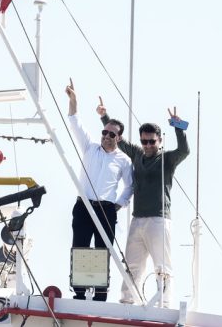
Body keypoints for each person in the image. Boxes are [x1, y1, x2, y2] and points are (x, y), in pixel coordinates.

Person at [98, 99, 189, 308]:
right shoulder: (138, 155)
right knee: (132, 264)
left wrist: (178, 127)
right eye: (144, 141)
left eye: (151, 142)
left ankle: (164, 303)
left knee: (162, 265)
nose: (147, 145)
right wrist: (104, 116)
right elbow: (117, 139)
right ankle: (127, 301)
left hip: (159, 219)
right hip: (137, 219)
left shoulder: (167, 159)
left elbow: (184, 151)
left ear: (159, 142)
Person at [66, 79, 133, 301]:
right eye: (105, 132)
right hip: (84, 206)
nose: (106, 136)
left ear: (119, 138)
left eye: (112, 134)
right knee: (81, 247)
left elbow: (130, 185)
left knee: (102, 251)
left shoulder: (123, 160)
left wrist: (119, 204)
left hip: (106, 209)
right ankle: (80, 293)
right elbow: (74, 122)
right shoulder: (90, 147)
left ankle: (100, 295)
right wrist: (74, 101)